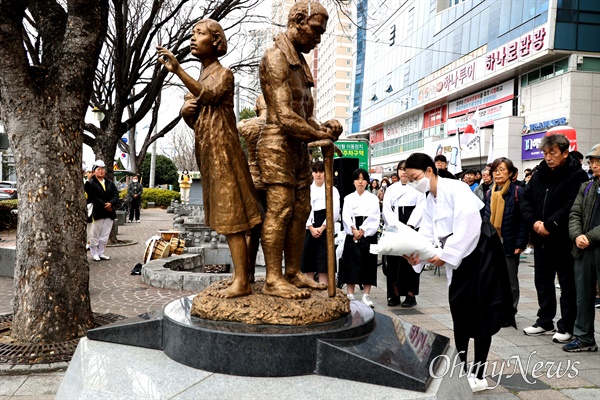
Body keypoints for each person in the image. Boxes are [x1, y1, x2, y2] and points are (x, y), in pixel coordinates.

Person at [158, 18, 263, 298]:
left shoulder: (223, 74)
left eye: (200, 34)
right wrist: (188, 116)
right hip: (209, 154)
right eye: (192, 33)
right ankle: (243, 277)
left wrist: (178, 70)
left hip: (224, 155)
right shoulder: (202, 76)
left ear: (215, 41)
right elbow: (206, 120)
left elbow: (210, 96)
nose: (193, 38)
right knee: (227, 216)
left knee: (233, 218)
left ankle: (242, 280)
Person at [403, 153, 515, 393]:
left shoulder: (456, 189)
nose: (413, 183)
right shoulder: (429, 199)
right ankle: (462, 368)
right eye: (409, 180)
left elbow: (469, 225)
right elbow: (427, 232)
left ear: (429, 171)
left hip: (480, 253)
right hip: (457, 256)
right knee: (460, 310)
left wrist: (444, 256)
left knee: (481, 311)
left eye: (414, 177)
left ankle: (480, 373)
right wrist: (417, 253)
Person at [255, 0, 342, 298]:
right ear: (298, 21)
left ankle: (292, 272)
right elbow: (283, 115)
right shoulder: (276, 56)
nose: (318, 39)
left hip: (299, 148)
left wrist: (325, 127)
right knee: (280, 210)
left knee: (302, 210)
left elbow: (305, 117)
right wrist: (318, 134)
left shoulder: (301, 63)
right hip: (277, 144)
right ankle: (273, 278)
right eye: (315, 31)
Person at [521, 134, 589, 343]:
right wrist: (534, 223)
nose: (548, 157)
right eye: (545, 153)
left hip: (562, 238)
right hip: (540, 237)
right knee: (542, 280)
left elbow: (571, 205)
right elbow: (525, 199)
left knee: (567, 284)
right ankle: (544, 320)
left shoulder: (577, 175)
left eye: (553, 153)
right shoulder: (539, 172)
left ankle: (567, 325)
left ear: (565, 153)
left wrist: (550, 225)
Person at [563, 144, 600, 352]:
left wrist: (589, 236)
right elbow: (574, 213)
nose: (593, 165)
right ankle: (584, 337)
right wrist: (577, 236)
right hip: (583, 249)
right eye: (592, 161)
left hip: (594, 243)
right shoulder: (586, 186)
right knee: (583, 295)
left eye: (597, 161)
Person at [483, 158, 528, 315]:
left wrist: (520, 243)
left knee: (510, 281)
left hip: (509, 241)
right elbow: (485, 219)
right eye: (495, 170)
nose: (498, 173)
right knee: (493, 278)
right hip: (492, 242)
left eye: (502, 170)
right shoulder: (489, 193)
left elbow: (523, 220)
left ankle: (510, 311)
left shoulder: (517, 192)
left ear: (511, 173)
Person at [382, 160, 425, 307]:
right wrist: (395, 226)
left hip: (411, 225)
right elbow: (386, 209)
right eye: (400, 169)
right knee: (393, 262)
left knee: (410, 261)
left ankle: (410, 295)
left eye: (405, 169)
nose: (403, 172)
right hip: (394, 226)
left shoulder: (418, 188)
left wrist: (410, 225)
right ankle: (393, 295)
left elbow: (421, 207)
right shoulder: (391, 189)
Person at [340, 168, 380, 307]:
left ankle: (366, 295)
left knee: (368, 263)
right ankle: (350, 293)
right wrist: (353, 229)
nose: (360, 182)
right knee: (351, 262)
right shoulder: (348, 198)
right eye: (358, 179)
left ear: (367, 182)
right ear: (354, 182)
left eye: (363, 179)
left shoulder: (373, 198)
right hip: (353, 230)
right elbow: (345, 215)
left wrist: (363, 230)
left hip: (367, 231)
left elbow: (374, 216)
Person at [237, 94, 267, 283]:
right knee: (272, 230)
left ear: (256, 107)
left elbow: (240, 125)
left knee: (252, 232)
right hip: (271, 182)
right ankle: (272, 274)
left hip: (253, 180)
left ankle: (248, 274)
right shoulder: (276, 125)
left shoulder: (250, 125)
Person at [301, 161, 340, 284]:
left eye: (321, 171)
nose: (318, 175)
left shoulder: (332, 190)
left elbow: (334, 211)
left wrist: (323, 227)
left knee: (324, 263)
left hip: (325, 226)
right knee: (309, 262)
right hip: (309, 226)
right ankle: (310, 289)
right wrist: (311, 227)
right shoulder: (307, 189)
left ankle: (324, 291)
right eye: (315, 171)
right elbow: (303, 209)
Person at [84, 160, 119, 262]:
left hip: (109, 211)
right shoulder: (90, 183)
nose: (101, 171)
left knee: (105, 234)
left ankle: (101, 252)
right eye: (98, 169)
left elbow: (115, 194)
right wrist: (104, 204)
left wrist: (111, 203)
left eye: (102, 169)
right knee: (95, 233)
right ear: (94, 171)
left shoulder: (110, 183)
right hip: (97, 211)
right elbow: (92, 197)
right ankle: (94, 253)